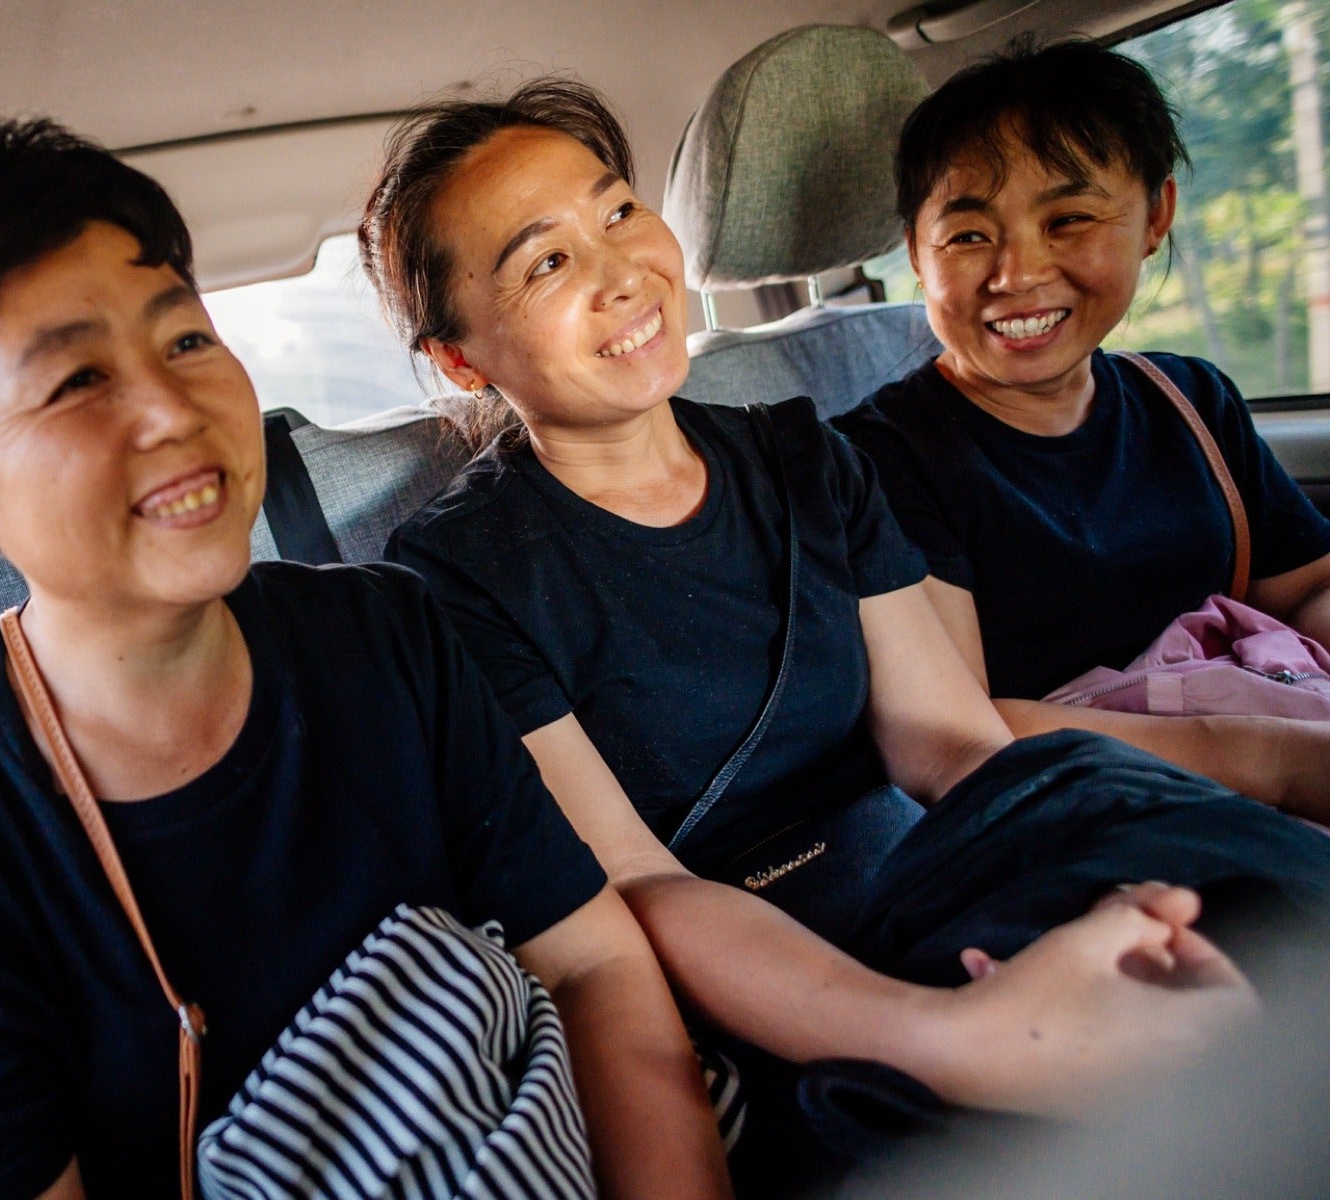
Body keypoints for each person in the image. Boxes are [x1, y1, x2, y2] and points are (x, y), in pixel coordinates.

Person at [0, 115, 731, 1200]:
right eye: (77, 382)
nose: (173, 409)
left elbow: (593, 962)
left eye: (186, 340)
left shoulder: (388, 637)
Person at [366, 77, 1280, 1119]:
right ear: (459, 359)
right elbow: (637, 888)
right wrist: (948, 1036)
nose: (623, 271)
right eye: (548, 261)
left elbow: (950, 747)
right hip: (758, 984)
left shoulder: (807, 457)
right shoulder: (451, 577)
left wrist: (1095, 883)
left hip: (937, 876)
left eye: (617, 211)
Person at [835, 39, 1330, 821]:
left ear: (1154, 217)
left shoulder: (1190, 399)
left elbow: (1306, 589)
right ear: (917, 256)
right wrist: (1272, 758)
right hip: (1080, 809)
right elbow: (961, 730)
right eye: (968, 235)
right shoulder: (874, 464)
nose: (1018, 273)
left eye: (1068, 219)